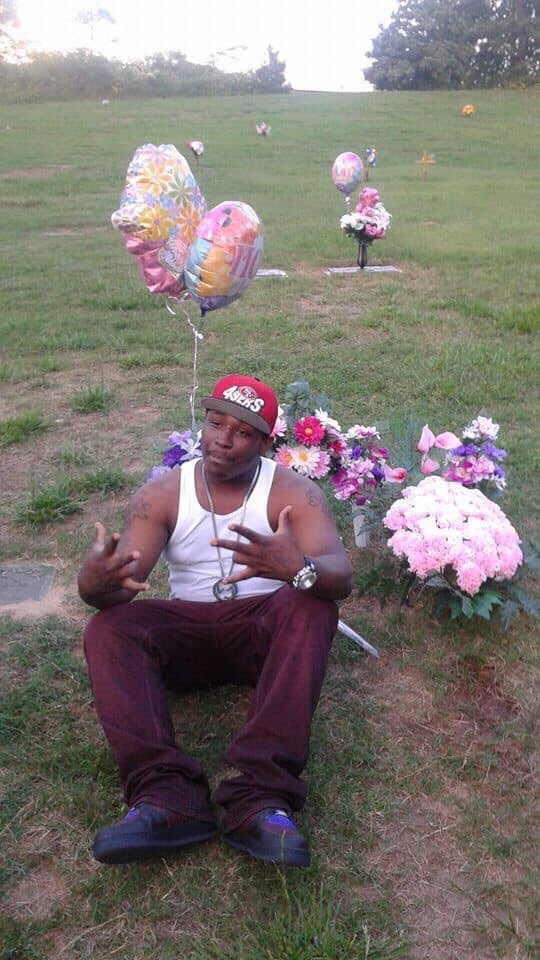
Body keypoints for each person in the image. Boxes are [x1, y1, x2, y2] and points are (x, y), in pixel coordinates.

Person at [79, 373, 352, 868]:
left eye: (242, 431)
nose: (223, 439)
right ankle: (166, 799)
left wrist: (300, 568)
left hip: (264, 639)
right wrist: (93, 585)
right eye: (215, 423)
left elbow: (340, 575)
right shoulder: (164, 492)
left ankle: (261, 799)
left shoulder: (293, 491)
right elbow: (122, 587)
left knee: (311, 605)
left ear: (265, 442)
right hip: (187, 634)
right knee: (109, 628)